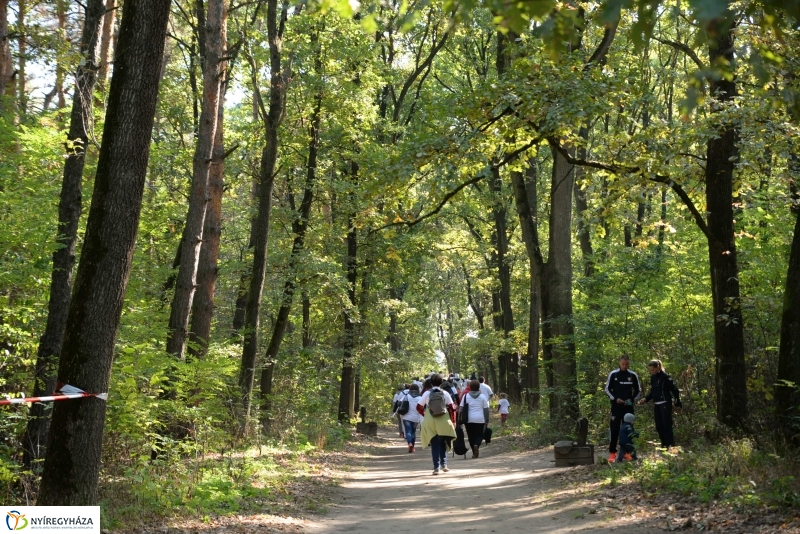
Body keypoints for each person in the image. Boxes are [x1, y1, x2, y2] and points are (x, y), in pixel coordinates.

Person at [416, 373, 457, 475]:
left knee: (434, 444)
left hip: (430, 419)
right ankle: (444, 464)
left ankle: (436, 467)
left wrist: (425, 414)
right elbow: (452, 408)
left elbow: (418, 407)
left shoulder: (426, 394)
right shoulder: (445, 393)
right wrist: (453, 420)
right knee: (442, 442)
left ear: (431, 383)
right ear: (441, 382)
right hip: (443, 419)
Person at [604, 355, 641, 462]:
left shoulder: (633, 375)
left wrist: (632, 399)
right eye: (622, 364)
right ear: (619, 363)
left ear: (629, 364)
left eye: (626, 364)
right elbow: (607, 389)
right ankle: (612, 453)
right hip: (616, 407)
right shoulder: (613, 374)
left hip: (628, 408)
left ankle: (627, 452)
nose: (624, 366)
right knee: (614, 429)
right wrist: (615, 399)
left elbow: (638, 390)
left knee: (628, 430)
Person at [638, 359, 681, 448]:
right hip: (657, 404)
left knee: (666, 424)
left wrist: (677, 403)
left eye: (653, 370)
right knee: (659, 425)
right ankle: (664, 445)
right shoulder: (653, 378)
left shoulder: (665, 377)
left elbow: (674, 390)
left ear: (658, 368)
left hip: (665, 402)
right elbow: (653, 392)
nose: (652, 372)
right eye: (650, 370)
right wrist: (646, 399)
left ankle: (670, 445)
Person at [458, 379, 489, 458]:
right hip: (480, 419)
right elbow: (486, 409)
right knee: (480, 434)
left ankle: (474, 452)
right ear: (478, 387)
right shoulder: (482, 396)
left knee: (470, 436)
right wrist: (487, 419)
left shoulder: (466, 396)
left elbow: (461, 408)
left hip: (468, 419)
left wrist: (459, 418)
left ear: (470, 387)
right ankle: (476, 445)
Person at [400, 384, 423, 452]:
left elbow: (399, 403)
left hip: (406, 417)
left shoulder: (406, 396)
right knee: (413, 432)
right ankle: (412, 445)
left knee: (408, 431)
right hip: (416, 418)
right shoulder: (420, 398)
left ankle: (409, 443)